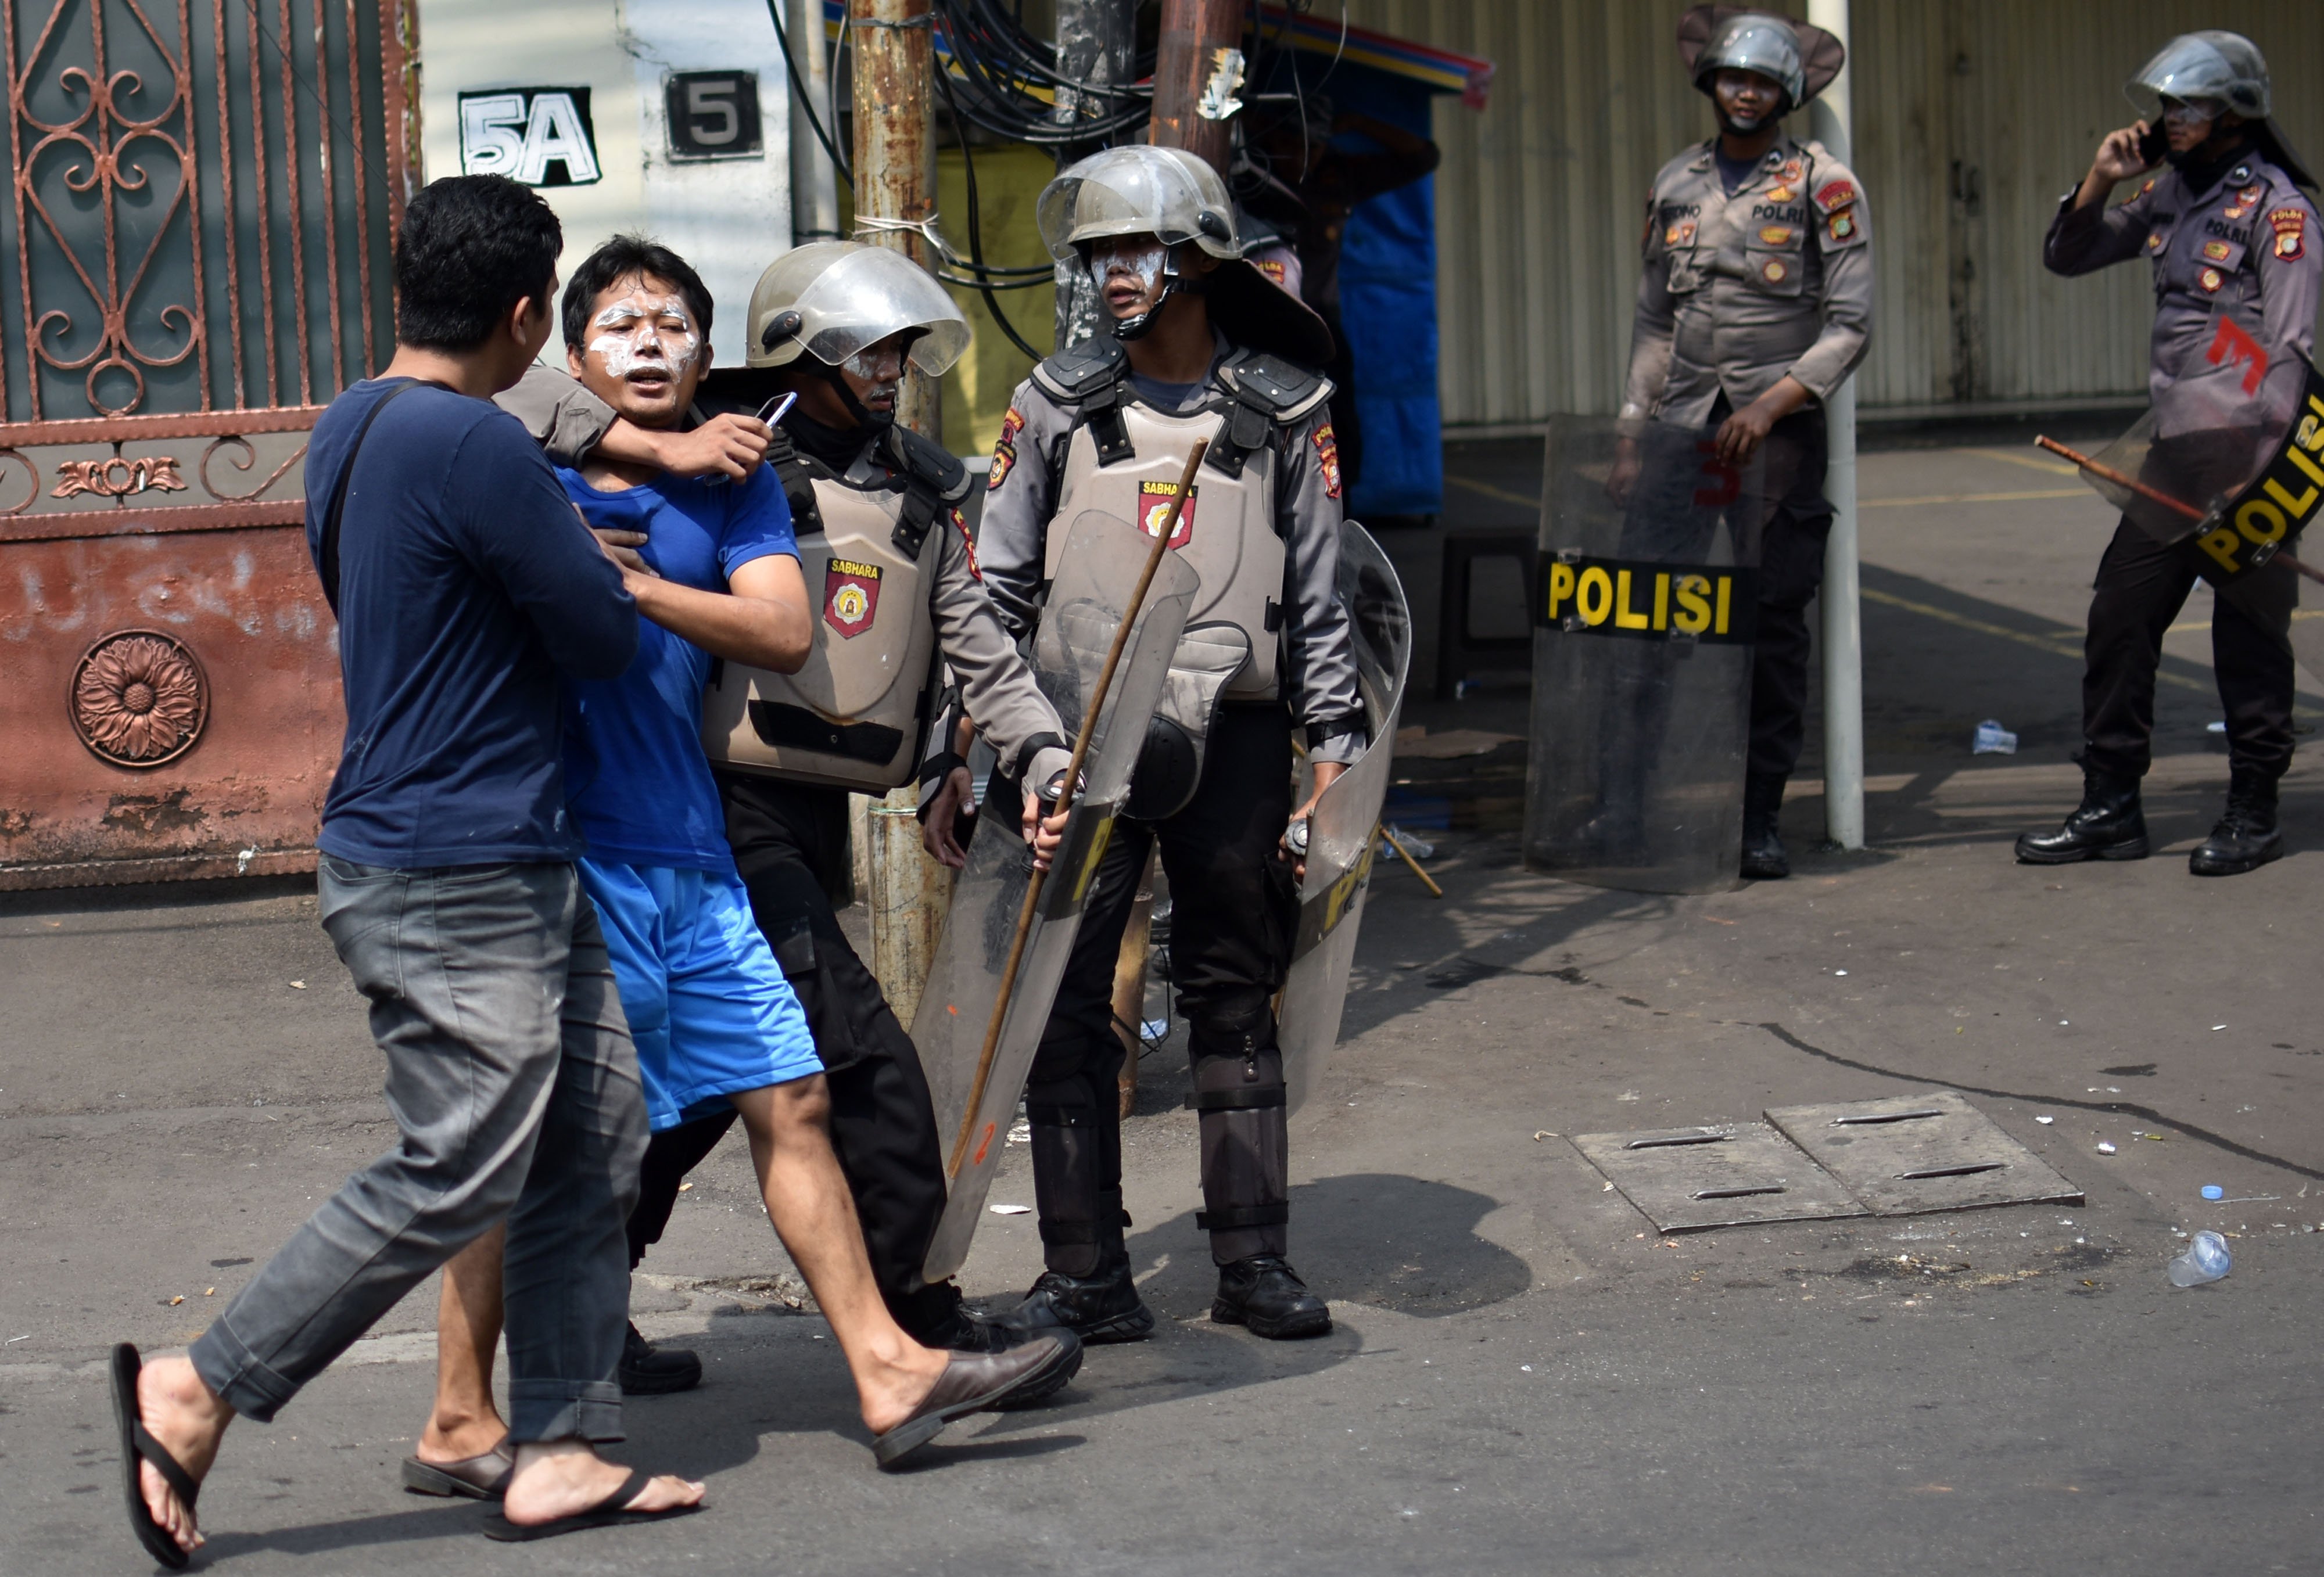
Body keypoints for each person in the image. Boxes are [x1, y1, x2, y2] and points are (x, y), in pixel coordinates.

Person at [404, 235, 1079, 1493]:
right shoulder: (568, 454)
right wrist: (649, 453)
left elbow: (933, 642)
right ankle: (899, 1323)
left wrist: (1026, 760)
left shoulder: (845, 489)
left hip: (723, 836)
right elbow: (475, 402)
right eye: (861, 347)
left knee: (751, 1094)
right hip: (616, 830)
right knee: (800, 1079)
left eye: (673, 324)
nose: (886, 371)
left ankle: (877, 1356)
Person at [106, 176, 708, 1564]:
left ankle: (551, 1443)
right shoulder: (474, 442)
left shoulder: (354, 421)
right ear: (518, 313)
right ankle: (201, 1385)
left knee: (594, 1123)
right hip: (450, 859)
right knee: (459, 1159)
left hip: (492, 842)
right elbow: (604, 639)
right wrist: (587, 563)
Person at [977, 143, 1362, 1342]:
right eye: (1095, 255)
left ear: (1198, 258)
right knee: (1062, 999)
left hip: (1234, 740)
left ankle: (1251, 1263)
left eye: (1132, 250)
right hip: (1079, 738)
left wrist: (1335, 750)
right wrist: (978, 755)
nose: (1110, 275)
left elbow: (1320, 595)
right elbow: (989, 592)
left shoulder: (1287, 405)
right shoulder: (1052, 400)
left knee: (1231, 993)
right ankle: (1084, 1270)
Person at [2018, 31, 2319, 876]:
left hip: (2250, 454)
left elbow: (2290, 350)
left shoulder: (2278, 209)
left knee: (2251, 633)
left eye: (2189, 106)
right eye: (2168, 106)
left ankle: (2254, 811)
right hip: (2174, 452)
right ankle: (2112, 806)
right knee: (2120, 615)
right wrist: (2101, 177)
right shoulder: (2169, 197)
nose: (2171, 119)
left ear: (2235, 114)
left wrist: (2263, 474)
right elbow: (2068, 255)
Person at [1607, 6, 1871, 881]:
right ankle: (1626, 803)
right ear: (1710, 84)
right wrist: (1631, 433)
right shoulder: (1677, 181)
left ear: (1787, 93)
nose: (1746, 93)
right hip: (1683, 427)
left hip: (1779, 439)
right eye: (1733, 78)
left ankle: (1759, 819)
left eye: (1762, 81)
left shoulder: (1824, 185)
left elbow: (1851, 324)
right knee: (1644, 616)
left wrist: (1771, 403)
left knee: (1769, 626)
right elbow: (1654, 321)